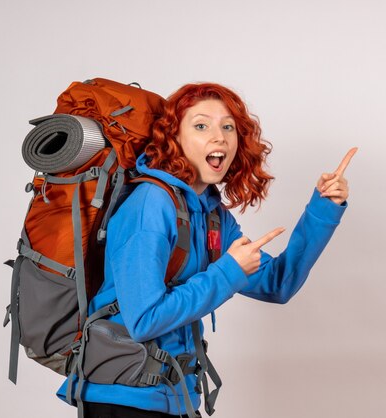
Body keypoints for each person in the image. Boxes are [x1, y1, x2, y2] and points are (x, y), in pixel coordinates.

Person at [57, 82, 356, 417]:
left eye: (228, 127)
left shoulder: (211, 215)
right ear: (174, 138)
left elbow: (277, 284)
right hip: (122, 400)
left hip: (177, 398)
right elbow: (143, 320)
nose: (220, 137)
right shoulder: (150, 204)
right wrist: (228, 271)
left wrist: (323, 209)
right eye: (201, 126)